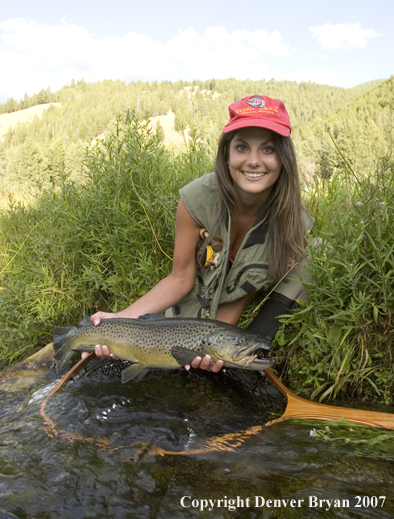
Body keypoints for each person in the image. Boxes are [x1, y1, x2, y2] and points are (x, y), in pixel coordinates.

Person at [82, 95, 313, 373]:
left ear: (284, 157)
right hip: (184, 325)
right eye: (242, 147)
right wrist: (120, 319)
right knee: (179, 363)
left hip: (221, 328)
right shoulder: (196, 198)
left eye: (267, 150)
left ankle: (251, 355)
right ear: (227, 153)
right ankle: (229, 355)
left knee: (317, 252)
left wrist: (224, 348)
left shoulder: (293, 220)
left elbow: (242, 293)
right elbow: (180, 278)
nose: (254, 161)